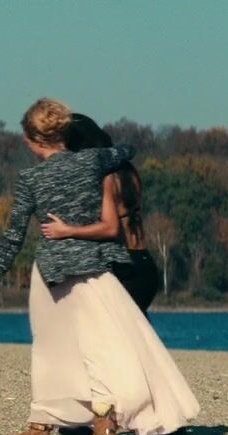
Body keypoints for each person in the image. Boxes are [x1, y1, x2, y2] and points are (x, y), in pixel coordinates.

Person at [0, 97, 199, 435]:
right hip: (96, 266)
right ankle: (111, 422)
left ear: (34, 139)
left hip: (52, 272)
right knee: (112, 346)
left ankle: (45, 426)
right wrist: (101, 152)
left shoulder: (31, 178)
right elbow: (127, 150)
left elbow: (13, 236)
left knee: (52, 350)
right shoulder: (94, 163)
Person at [39, 113, 162, 315]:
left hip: (126, 271)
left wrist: (67, 230)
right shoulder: (128, 171)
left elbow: (110, 228)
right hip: (145, 265)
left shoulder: (106, 178)